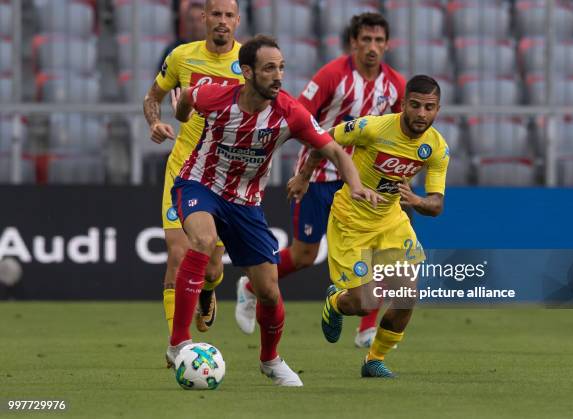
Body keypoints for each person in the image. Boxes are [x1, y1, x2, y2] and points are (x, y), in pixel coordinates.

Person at [166, 35, 383, 386]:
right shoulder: (218, 95)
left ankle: (270, 361)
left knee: (268, 291)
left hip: (246, 203)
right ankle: (178, 343)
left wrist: (356, 185)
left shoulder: (290, 111)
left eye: (281, 67)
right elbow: (187, 98)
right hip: (199, 185)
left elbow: (337, 152)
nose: (278, 75)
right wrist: (181, 113)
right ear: (247, 71)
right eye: (269, 68)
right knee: (203, 241)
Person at [235, 13, 406, 349]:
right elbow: (298, 115)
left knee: (378, 251)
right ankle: (250, 288)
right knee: (304, 255)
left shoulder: (395, 85)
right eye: (365, 40)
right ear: (353, 42)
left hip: (363, 181)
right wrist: (303, 174)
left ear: (387, 44)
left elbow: (399, 135)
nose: (372, 47)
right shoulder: (333, 75)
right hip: (319, 175)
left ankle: (366, 328)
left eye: (378, 40)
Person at [290, 75, 449, 377]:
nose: (421, 114)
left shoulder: (437, 148)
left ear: (438, 110)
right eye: (414, 105)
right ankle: (336, 302)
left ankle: (374, 360)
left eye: (429, 108)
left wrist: (416, 201)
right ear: (403, 104)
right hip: (351, 219)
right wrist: (304, 176)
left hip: (391, 221)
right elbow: (324, 139)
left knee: (407, 298)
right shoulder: (372, 127)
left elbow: (437, 204)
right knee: (363, 303)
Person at [143, 0, 242, 352]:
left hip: (223, 176)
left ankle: (209, 291)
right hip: (184, 168)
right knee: (177, 253)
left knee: (213, 267)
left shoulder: (248, 64)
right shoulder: (182, 57)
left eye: (229, 15)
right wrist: (154, 121)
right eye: (216, 14)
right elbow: (152, 97)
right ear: (204, 18)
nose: (222, 21)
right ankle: (178, 347)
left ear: (237, 20)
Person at [157, 1, 208, 72]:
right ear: (185, 22)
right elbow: (160, 78)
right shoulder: (172, 50)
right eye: (191, 20)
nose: (195, 25)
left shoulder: (214, 50)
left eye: (199, 20)